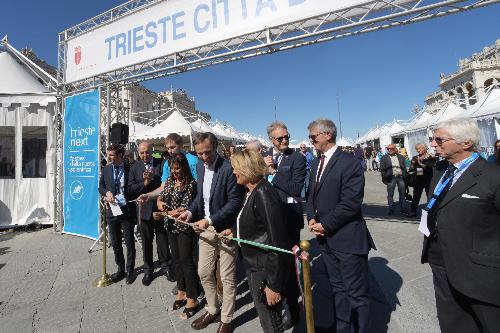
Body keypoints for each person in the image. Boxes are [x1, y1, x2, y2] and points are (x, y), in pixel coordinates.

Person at [420, 118, 500, 333]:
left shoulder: (493, 176)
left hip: (480, 273)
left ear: (465, 143)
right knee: (453, 324)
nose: (433, 144)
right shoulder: (441, 171)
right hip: (441, 260)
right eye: (432, 139)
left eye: (439, 139)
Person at [307, 119, 375, 333]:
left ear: (328, 135)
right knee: (337, 289)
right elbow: (311, 196)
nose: (311, 141)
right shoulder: (317, 162)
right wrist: (311, 216)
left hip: (347, 239)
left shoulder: (349, 161)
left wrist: (325, 225)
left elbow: (351, 203)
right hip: (326, 240)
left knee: (356, 294)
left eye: (313, 136)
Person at [178, 132, 243, 333]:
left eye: (207, 152)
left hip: (225, 228)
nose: (204, 158)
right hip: (205, 226)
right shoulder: (199, 165)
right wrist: (189, 211)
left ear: (215, 147)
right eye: (200, 154)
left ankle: (227, 318)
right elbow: (201, 196)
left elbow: (234, 202)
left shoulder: (228, 168)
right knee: (204, 271)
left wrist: (209, 220)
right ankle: (213, 308)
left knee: (227, 276)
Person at [229, 150, 290, 333]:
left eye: (236, 168)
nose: (234, 173)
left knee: (270, 321)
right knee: (267, 319)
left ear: (247, 169)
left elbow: (277, 241)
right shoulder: (251, 191)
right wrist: (232, 232)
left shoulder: (263, 193)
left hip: (264, 269)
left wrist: (273, 284)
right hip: (254, 265)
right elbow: (253, 225)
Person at [262, 121, 306, 329]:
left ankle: (293, 309)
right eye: (279, 138)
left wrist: (273, 172)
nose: (285, 140)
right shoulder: (263, 156)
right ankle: (274, 301)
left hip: (289, 218)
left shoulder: (297, 158)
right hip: (267, 219)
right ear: (271, 139)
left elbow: (296, 188)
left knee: (289, 265)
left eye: (287, 136)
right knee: (272, 263)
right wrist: (263, 169)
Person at [155, 153, 201, 319]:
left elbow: (183, 210)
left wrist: (163, 213)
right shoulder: (170, 182)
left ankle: (193, 297)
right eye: (172, 169)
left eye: (177, 168)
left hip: (184, 227)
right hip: (170, 226)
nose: (174, 172)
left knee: (186, 261)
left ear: (184, 168)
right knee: (176, 260)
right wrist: (159, 202)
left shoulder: (190, 185)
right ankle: (181, 290)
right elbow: (161, 196)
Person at [128, 141, 172, 286]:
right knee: (146, 241)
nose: (145, 155)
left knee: (162, 238)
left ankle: (166, 265)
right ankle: (148, 269)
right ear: (138, 153)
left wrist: (154, 179)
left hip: (159, 207)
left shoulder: (161, 163)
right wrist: (144, 184)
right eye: (142, 153)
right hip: (143, 209)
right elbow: (130, 190)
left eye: (147, 152)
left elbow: (167, 183)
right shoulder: (134, 167)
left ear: (152, 151)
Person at [98, 144, 136, 284]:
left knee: (129, 241)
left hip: (126, 210)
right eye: (108, 154)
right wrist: (106, 193)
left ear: (120, 156)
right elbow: (100, 187)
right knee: (115, 242)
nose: (108, 157)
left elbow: (134, 187)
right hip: (112, 210)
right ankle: (120, 268)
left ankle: (130, 269)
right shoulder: (107, 169)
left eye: (112, 155)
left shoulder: (129, 168)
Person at [407, 143, 436, 218]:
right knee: (416, 196)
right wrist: (413, 165)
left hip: (429, 180)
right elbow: (412, 169)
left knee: (429, 196)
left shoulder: (430, 157)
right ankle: (412, 211)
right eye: (417, 149)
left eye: (420, 148)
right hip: (419, 180)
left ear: (425, 148)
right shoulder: (415, 158)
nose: (418, 150)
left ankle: (431, 212)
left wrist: (419, 163)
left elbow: (428, 166)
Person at [379, 144, 408, 215]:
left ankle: (403, 208)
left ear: (395, 149)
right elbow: (382, 169)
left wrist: (405, 176)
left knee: (402, 194)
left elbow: (404, 167)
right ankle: (391, 208)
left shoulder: (401, 157)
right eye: (388, 149)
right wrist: (384, 178)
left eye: (391, 149)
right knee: (390, 194)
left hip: (400, 177)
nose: (389, 150)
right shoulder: (384, 157)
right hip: (391, 177)